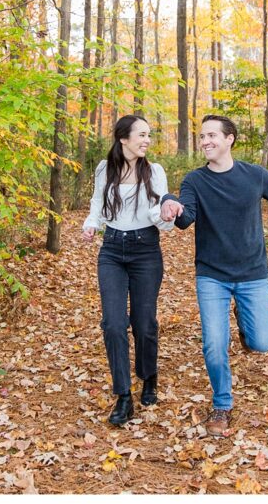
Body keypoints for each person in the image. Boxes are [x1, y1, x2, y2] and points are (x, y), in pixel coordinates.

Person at [160, 114, 268, 437]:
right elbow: (186, 218)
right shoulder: (195, 181)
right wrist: (171, 206)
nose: (205, 142)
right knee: (215, 343)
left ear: (230, 139)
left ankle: (244, 321)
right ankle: (222, 404)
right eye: (202, 137)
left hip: (252, 273)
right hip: (212, 275)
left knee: (262, 342)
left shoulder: (254, 176)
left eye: (212, 135)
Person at [83, 115, 174, 426]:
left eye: (149, 135)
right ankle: (123, 395)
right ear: (123, 138)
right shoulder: (104, 168)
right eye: (141, 135)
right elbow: (97, 201)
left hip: (146, 249)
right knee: (112, 323)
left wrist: (166, 216)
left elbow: (159, 210)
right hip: (111, 250)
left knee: (144, 322)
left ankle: (149, 376)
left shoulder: (155, 171)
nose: (147, 140)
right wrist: (91, 224)